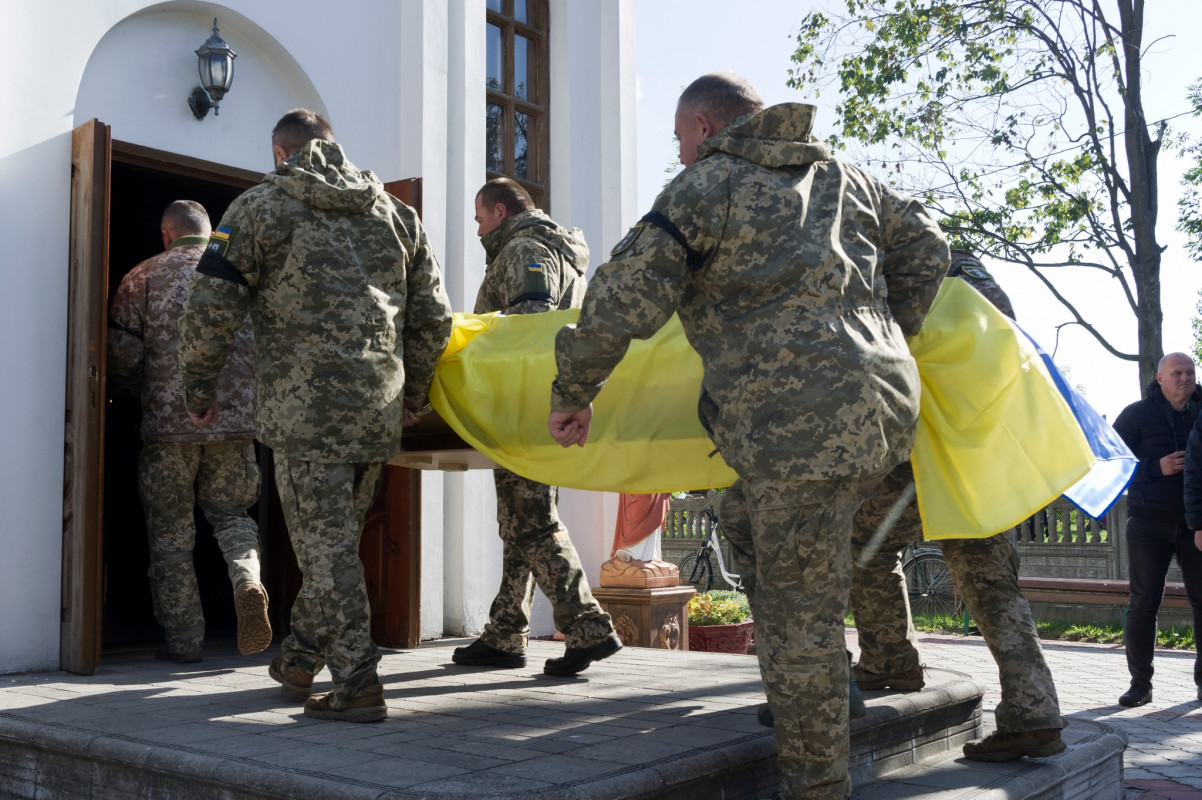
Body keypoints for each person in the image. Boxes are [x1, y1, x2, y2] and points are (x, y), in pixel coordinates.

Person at [547, 73, 948, 800]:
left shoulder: (709, 186)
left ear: (703, 126)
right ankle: (823, 690)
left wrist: (573, 390)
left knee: (802, 621)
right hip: (884, 414)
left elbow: (623, 296)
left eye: (677, 140)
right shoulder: (850, 177)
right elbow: (928, 248)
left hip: (797, 431)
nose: (678, 154)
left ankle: (817, 775)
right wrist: (885, 337)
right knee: (743, 524)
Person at [178, 109, 453, 722]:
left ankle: (357, 680)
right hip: (375, 410)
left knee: (326, 551)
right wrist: (415, 394)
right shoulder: (396, 214)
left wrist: (198, 392)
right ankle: (300, 657)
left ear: (281, 154)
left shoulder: (259, 207)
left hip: (305, 417)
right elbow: (435, 317)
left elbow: (210, 309)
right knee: (332, 545)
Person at [847, 250, 1066, 762]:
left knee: (860, 539)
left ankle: (889, 659)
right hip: (985, 447)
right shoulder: (967, 271)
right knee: (993, 585)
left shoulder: (888, 273)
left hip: (929, 451)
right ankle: (1034, 711)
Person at [452, 177, 621, 675]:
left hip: (528, 408)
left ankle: (587, 626)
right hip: (544, 404)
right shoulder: (557, 252)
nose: (478, 227)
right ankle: (505, 633)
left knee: (532, 522)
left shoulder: (525, 249)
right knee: (520, 522)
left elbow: (531, 328)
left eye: (480, 217)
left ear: (500, 212)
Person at [108, 199, 270, 664]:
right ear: (208, 231)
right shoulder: (238, 272)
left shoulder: (143, 276)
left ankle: (184, 642)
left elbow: (122, 353)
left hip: (167, 431)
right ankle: (247, 580)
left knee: (171, 536)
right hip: (236, 426)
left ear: (166, 234)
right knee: (234, 516)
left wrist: (144, 393)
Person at [1116, 352, 1202, 707]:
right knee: (1143, 604)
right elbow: (1111, 464)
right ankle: (1140, 685)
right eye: (1177, 373)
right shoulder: (1136, 415)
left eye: (1190, 371)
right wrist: (1154, 467)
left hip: (1196, 525)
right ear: (1160, 378)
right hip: (1149, 523)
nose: (1185, 378)